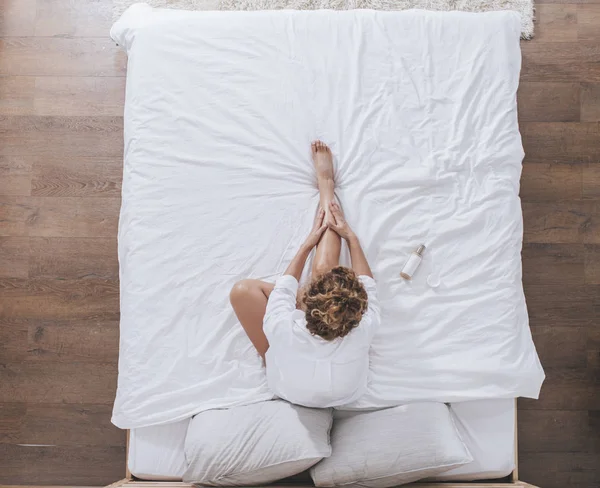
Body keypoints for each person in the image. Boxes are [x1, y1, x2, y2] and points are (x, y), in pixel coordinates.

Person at [229, 141, 380, 408]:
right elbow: (368, 285)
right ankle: (326, 188)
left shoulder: (283, 327)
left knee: (242, 291)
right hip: (346, 394)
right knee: (323, 270)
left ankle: (325, 188)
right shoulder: (364, 327)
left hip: (289, 388)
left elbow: (288, 285)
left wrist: (308, 243)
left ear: (303, 303)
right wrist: (351, 238)